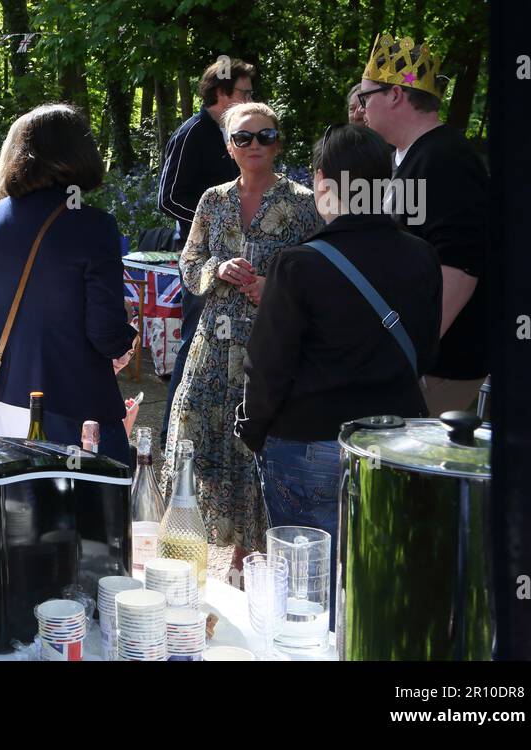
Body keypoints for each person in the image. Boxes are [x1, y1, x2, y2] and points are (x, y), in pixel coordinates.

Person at [236, 124, 442, 562]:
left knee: (308, 592)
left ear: (323, 182)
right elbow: (425, 352)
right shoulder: (422, 256)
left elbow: (268, 366)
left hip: (308, 442)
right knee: (378, 580)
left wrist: (253, 429)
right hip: (392, 443)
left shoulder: (297, 265)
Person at [159, 102, 323, 559]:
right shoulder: (212, 201)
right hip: (211, 350)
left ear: (279, 142)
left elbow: (322, 275)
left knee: (257, 455)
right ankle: (201, 551)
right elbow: (188, 265)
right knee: (197, 444)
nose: (255, 145)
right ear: (229, 147)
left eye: (265, 136)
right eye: (244, 138)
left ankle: (255, 559)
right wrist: (216, 267)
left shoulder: (304, 204)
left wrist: (277, 286)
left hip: (270, 352)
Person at [0, 104, 138, 465]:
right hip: (74, 407)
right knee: (87, 516)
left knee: (18, 515)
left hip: (4, 398)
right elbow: (105, 333)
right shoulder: (93, 225)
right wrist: (126, 330)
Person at [357, 32, 489, 415]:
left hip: (437, 368)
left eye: (366, 97)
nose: (361, 108)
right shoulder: (411, 156)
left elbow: (461, 267)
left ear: (396, 94)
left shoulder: (445, 159)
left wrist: (406, 353)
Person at [157, 57, 256, 444]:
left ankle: (224, 434)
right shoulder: (193, 133)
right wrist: (212, 225)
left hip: (241, 259)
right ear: (220, 94)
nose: (251, 99)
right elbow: (168, 198)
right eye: (244, 93)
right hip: (202, 262)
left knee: (234, 343)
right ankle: (172, 432)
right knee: (194, 342)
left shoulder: (239, 135)